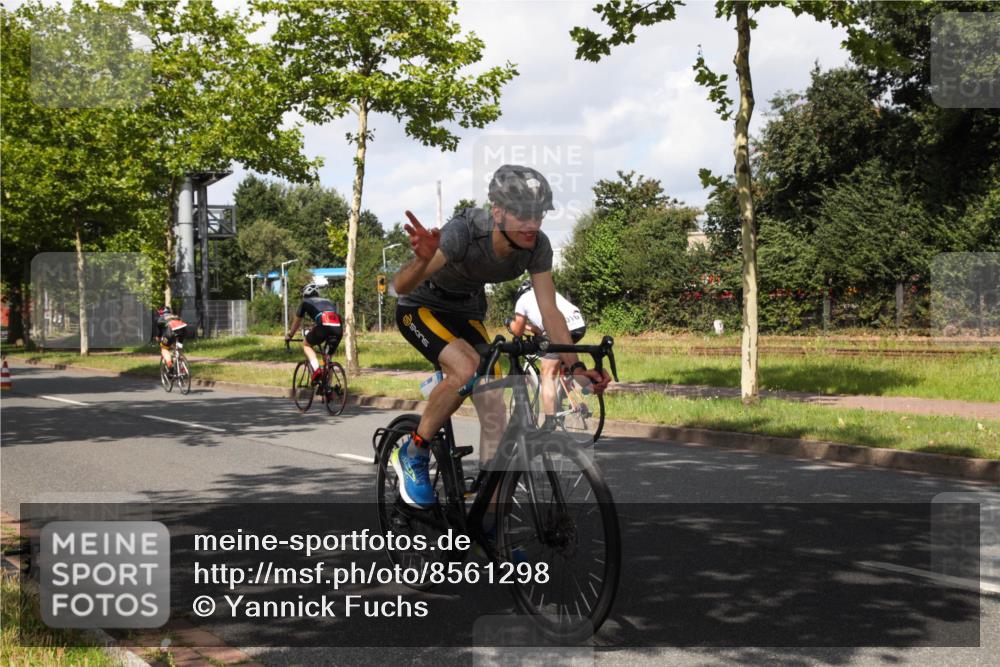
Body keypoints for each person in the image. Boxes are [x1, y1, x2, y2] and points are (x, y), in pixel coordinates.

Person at [391, 164, 610, 509]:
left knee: (493, 399)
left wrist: (576, 366)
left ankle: (490, 530)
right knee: (466, 369)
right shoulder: (464, 232)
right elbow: (400, 286)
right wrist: (422, 260)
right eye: (522, 215)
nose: (532, 224)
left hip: (466, 312)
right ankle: (414, 451)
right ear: (498, 212)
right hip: (420, 307)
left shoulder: (537, 247)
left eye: (538, 215)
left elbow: (550, 311)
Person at [508, 280, 587, 430]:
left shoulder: (522, 300)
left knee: (547, 373)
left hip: (560, 329)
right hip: (579, 325)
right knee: (562, 359)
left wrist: (509, 323)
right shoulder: (546, 292)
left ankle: (550, 421)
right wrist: (530, 327)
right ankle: (568, 385)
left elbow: (517, 330)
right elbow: (539, 329)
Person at [285, 283, 343, 383]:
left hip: (324, 326)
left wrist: (290, 335)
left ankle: (316, 369)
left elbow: (297, 321)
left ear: (305, 293)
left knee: (306, 345)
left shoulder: (305, 302)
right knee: (328, 359)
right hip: (338, 328)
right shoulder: (328, 301)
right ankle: (328, 391)